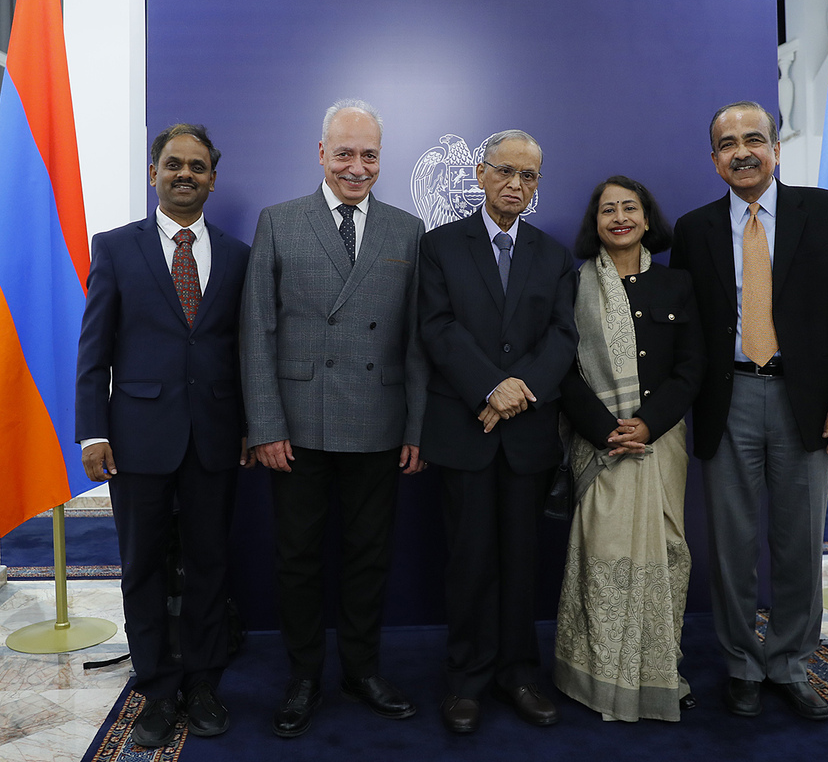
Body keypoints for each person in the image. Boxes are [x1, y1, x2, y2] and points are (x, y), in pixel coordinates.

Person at [670, 101, 828, 721]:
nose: (743, 152)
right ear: (714, 160)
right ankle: (741, 664)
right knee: (731, 545)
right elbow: (686, 330)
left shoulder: (825, 212)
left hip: (803, 401)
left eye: (754, 139)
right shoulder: (694, 229)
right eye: (728, 144)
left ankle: (789, 663)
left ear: (776, 149)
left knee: (799, 541)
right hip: (727, 398)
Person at [240, 99, 428, 738]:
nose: (357, 167)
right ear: (321, 153)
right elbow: (258, 331)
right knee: (297, 559)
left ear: (381, 158)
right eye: (344, 153)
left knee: (368, 557)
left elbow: (416, 341)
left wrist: (415, 427)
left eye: (369, 155)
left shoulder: (407, 229)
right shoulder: (279, 221)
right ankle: (303, 676)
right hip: (298, 426)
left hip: (379, 421)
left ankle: (361, 671)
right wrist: (266, 425)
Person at [75, 124, 252, 748]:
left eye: (198, 167)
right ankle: (155, 687)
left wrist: (249, 427)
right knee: (142, 567)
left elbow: (245, 352)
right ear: (154, 173)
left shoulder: (237, 255)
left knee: (209, 564)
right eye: (174, 164)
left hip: (215, 438)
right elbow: (93, 350)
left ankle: (202, 682)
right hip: (136, 438)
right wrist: (91, 432)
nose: (185, 174)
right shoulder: (115, 248)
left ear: (213, 179)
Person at [418, 129, 578, 734]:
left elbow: (562, 336)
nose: (516, 184)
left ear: (537, 185)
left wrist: (517, 392)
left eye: (528, 175)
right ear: (482, 174)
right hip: (465, 432)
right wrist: (491, 387)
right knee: (469, 561)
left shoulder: (553, 254)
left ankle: (519, 674)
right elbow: (437, 327)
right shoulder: (439, 246)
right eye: (505, 171)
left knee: (522, 561)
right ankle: (466, 680)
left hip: (527, 436)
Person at [553, 176, 705, 722]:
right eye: (608, 210)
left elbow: (691, 366)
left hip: (660, 443)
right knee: (605, 556)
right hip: (600, 449)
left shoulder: (676, 284)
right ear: (594, 223)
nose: (619, 217)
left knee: (665, 552)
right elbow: (563, 368)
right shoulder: (573, 286)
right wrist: (605, 430)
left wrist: (648, 424)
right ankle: (597, 675)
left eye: (629, 208)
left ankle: (658, 671)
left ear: (646, 218)